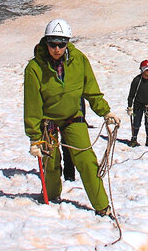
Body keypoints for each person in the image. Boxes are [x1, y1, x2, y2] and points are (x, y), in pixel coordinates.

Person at [23, 18, 119, 216]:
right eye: (52, 43)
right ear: (46, 42)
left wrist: (104, 111)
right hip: (47, 121)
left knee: (86, 159)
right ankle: (51, 196)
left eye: (61, 43)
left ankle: (102, 206)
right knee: (51, 161)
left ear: (67, 43)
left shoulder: (79, 60)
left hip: (72, 117)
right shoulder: (34, 68)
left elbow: (91, 89)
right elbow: (32, 105)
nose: (56, 49)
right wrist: (34, 138)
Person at [126, 59, 148, 147]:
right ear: (142, 70)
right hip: (138, 106)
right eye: (147, 70)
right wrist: (130, 107)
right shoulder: (136, 81)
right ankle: (134, 139)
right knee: (136, 122)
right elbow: (131, 95)